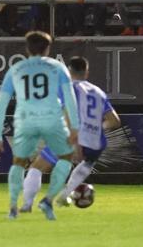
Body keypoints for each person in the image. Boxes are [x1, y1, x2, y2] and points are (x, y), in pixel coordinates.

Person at [0, 30, 79, 220]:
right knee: (65, 158)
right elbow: (70, 100)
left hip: (26, 120)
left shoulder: (16, 69)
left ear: (27, 48)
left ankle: (14, 206)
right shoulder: (58, 67)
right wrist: (75, 128)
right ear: (48, 49)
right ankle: (47, 200)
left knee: (19, 163)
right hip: (52, 119)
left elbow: (1, 104)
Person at [21, 55, 120, 211]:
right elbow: (114, 121)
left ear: (68, 71)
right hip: (96, 141)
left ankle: (27, 205)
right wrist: (94, 127)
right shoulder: (99, 92)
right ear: (86, 72)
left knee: (37, 167)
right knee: (87, 163)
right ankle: (61, 196)